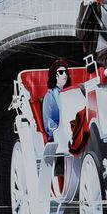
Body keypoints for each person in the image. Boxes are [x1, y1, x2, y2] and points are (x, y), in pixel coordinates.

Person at [41, 60, 71, 203]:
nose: (64, 74)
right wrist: (58, 130)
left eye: (65, 71)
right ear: (54, 75)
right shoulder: (50, 96)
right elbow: (48, 122)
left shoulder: (72, 91)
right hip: (59, 132)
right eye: (60, 72)